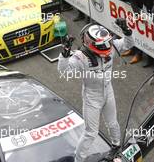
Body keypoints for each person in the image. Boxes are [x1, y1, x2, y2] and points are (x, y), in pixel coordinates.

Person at [58, 19, 135, 162]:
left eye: (108, 42)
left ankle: (116, 147)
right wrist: (65, 53)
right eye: (103, 45)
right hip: (92, 97)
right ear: (90, 44)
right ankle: (79, 160)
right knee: (91, 133)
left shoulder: (110, 46)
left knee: (113, 123)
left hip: (108, 91)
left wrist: (127, 30)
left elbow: (129, 44)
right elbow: (64, 71)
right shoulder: (80, 57)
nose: (107, 47)